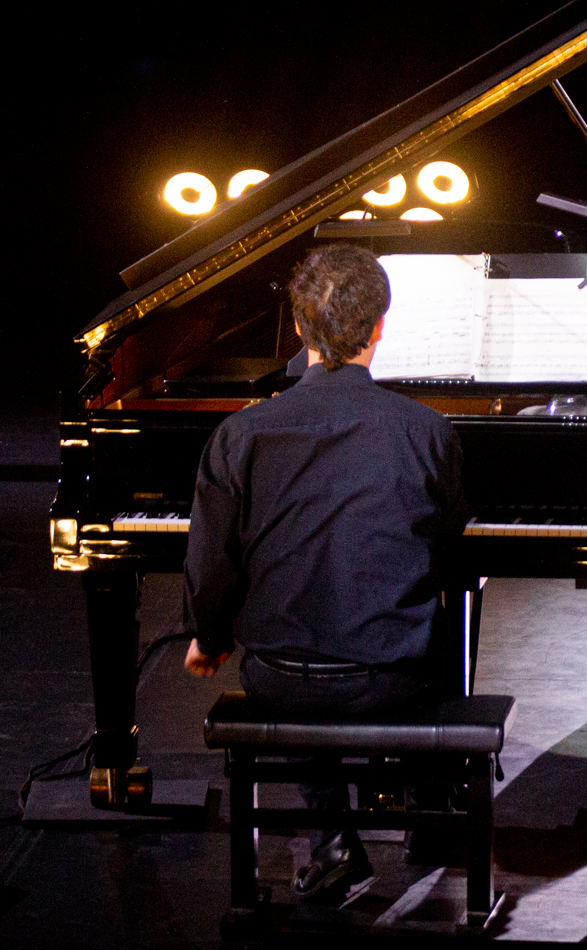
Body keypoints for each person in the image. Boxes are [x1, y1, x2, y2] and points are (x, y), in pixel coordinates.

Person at [183, 243, 467, 902]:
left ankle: (333, 840)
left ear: (299, 328)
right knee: (428, 624)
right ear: (379, 327)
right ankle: (429, 808)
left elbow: (212, 558)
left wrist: (209, 636)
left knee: (300, 643)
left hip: (277, 678)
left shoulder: (241, 434)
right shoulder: (428, 432)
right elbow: (447, 550)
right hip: (391, 680)